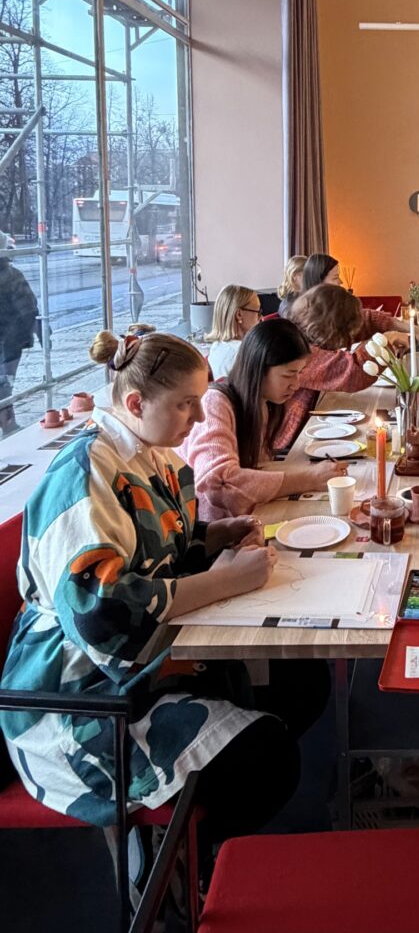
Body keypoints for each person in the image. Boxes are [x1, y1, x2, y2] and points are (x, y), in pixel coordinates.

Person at [0, 330, 329, 848]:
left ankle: (209, 803)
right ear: (136, 403)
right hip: (84, 701)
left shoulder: (152, 455)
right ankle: (175, 872)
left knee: (303, 682)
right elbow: (103, 615)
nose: (200, 419)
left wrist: (212, 536)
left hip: (149, 658)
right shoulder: (85, 475)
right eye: (186, 405)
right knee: (268, 758)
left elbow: (160, 548)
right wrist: (225, 578)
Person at [182, 318, 344, 520]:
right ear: (258, 368)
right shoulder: (215, 404)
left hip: (247, 518)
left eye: (300, 373)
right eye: (288, 375)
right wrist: (309, 479)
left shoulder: (263, 404)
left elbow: (258, 469)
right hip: (215, 532)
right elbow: (219, 482)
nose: (296, 384)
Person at [274, 285, 383, 452]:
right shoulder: (300, 352)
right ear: (334, 326)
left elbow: (367, 321)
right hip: (288, 443)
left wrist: (396, 326)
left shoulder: (301, 337)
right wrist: (387, 344)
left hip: (304, 431)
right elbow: (354, 373)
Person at [0, 231, 38, 437]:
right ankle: (8, 424)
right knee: (5, 383)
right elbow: (29, 307)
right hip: (10, 342)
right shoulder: (12, 275)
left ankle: (7, 423)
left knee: (3, 383)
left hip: (9, 340)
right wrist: (37, 332)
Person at [206, 284, 262, 377]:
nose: (261, 318)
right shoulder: (245, 353)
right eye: (258, 312)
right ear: (239, 315)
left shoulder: (216, 346)